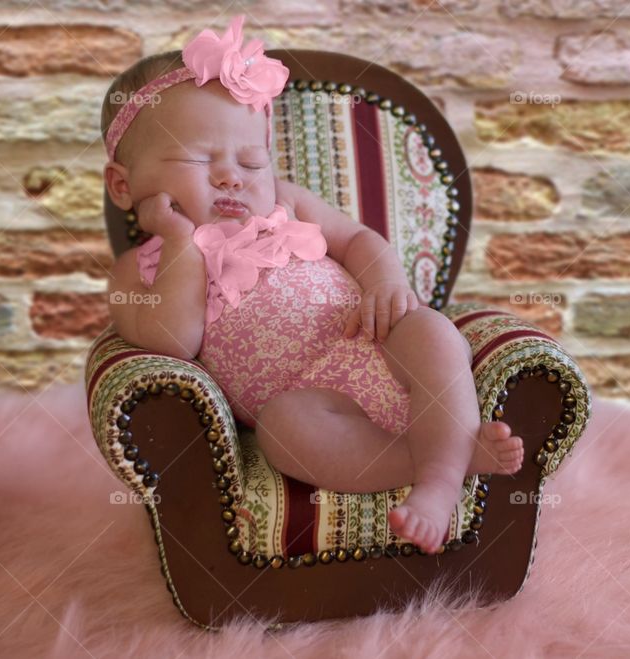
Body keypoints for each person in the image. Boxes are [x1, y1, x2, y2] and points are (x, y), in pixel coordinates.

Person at [102, 15, 524, 554]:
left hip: (376, 342)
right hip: (307, 405)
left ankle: (441, 483)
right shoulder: (140, 269)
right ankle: (434, 458)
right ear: (123, 184)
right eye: (200, 160)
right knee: (281, 434)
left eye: (251, 161)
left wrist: (385, 281)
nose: (232, 176)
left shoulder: (285, 202)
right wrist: (181, 243)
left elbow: (358, 240)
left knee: (434, 333)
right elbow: (170, 341)